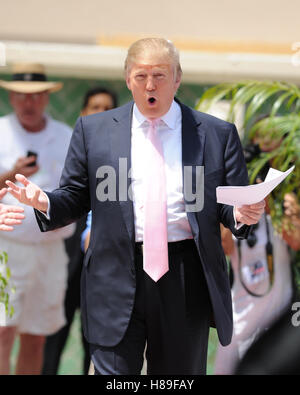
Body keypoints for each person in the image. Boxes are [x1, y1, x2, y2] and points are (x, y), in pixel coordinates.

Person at [5, 38, 265, 375]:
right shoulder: (93, 131)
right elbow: (75, 196)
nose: (150, 85)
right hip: (115, 272)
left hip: (185, 277)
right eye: (141, 76)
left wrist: (243, 215)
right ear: (128, 79)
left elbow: (229, 206)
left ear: (178, 78)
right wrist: (44, 201)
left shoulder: (215, 134)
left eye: (160, 75)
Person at [0, 63, 75, 375]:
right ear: (12, 98)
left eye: (35, 96)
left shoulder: (65, 135)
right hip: (7, 251)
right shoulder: (1, 131)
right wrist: (8, 174)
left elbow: (76, 192)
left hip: (50, 250)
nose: (28, 104)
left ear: (46, 97)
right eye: (21, 96)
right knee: (3, 332)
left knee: (37, 337)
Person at [42, 86, 118, 375]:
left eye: (107, 108)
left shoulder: (127, 154)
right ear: (83, 113)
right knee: (52, 338)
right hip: (62, 259)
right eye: (94, 107)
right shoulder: (67, 147)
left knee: (96, 343)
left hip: (102, 265)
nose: (100, 113)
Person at [214, 137, 299, 375]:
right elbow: (224, 247)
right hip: (240, 321)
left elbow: (296, 240)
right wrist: (237, 211)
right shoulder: (237, 211)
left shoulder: (283, 207)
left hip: (277, 323)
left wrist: (277, 206)